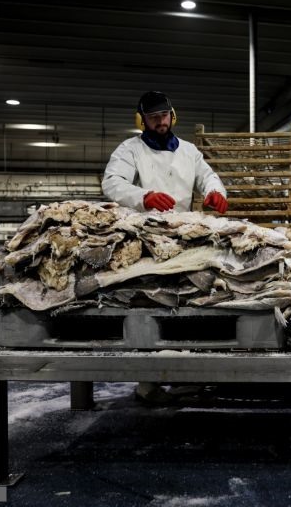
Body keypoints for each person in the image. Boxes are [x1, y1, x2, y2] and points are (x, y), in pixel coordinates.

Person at [102, 90, 228, 404]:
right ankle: (149, 378)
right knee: (149, 303)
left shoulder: (188, 151)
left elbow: (207, 176)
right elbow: (112, 182)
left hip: (185, 236)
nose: (161, 121)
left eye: (165, 115)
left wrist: (215, 192)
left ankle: (187, 375)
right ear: (141, 119)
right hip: (146, 237)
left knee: (189, 300)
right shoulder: (129, 149)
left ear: (174, 115)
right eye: (154, 117)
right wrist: (143, 197)